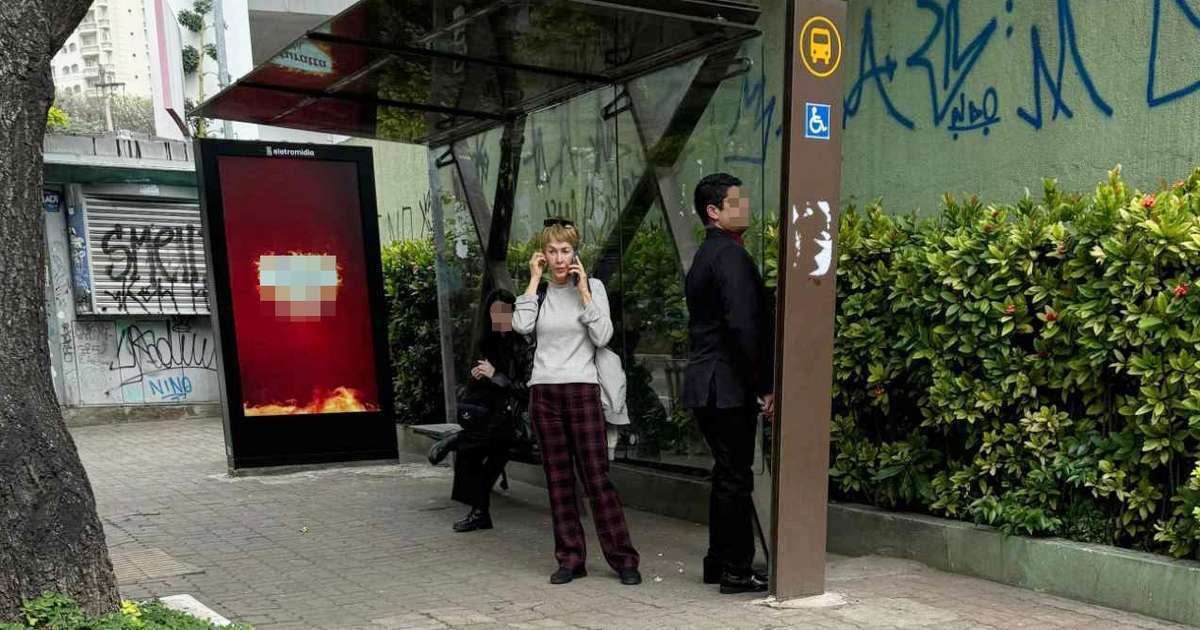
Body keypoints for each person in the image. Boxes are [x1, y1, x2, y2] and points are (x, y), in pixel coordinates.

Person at [512, 218, 642, 586]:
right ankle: (570, 559)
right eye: (551, 251)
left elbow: (603, 336)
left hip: (583, 389)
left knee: (597, 478)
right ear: (542, 254)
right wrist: (534, 280)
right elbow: (521, 327)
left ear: (576, 252)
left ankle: (623, 559)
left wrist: (584, 291)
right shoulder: (536, 293)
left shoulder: (594, 286)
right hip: (544, 392)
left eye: (565, 250)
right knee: (558, 481)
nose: (558, 258)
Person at [683, 173, 775, 594]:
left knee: (726, 475)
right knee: (736, 479)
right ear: (714, 212)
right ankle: (736, 572)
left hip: (709, 385)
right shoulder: (731, 257)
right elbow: (744, 326)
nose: (746, 207)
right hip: (727, 386)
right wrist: (765, 385)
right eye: (737, 201)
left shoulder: (707, 254)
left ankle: (719, 563)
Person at [432, 289, 532, 533]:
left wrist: (495, 376)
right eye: (494, 312)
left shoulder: (522, 345)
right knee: (472, 454)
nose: (499, 317)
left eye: (504, 312)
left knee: (478, 448)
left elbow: (527, 390)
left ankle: (458, 440)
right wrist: (478, 378)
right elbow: (479, 392)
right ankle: (480, 513)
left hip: (516, 421)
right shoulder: (488, 343)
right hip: (490, 420)